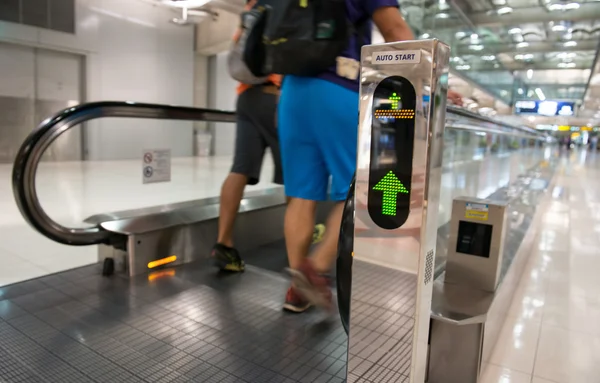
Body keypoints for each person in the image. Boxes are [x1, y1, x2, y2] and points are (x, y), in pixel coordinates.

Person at [277, 0, 419, 313]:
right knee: (356, 188)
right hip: (338, 86)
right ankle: (316, 267)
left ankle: (297, 289)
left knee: (301, 195)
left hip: (292, 92)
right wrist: (431, 79)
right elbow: (395, 29)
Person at [212, 0, 326, 273]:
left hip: (246, 97)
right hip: (274, 97)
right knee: (295, 173)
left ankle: (223, 245)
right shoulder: (287, 6)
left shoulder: (253, 7)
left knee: (239, 169)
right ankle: (300, 241)